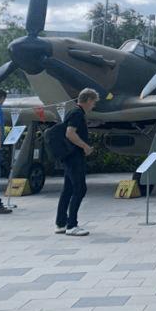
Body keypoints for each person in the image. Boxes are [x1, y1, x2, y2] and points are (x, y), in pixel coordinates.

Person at [53, 88, 99, 236]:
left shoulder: (73, 111)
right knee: (80, 189)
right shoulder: (77, 113)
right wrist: (85, 147)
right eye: (93, 104)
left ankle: (61, 223)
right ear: (89, 101)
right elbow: (70, 133)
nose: (93, 107)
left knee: (68, 189)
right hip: (74, 156)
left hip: (68, 156)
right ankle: (72, 225)